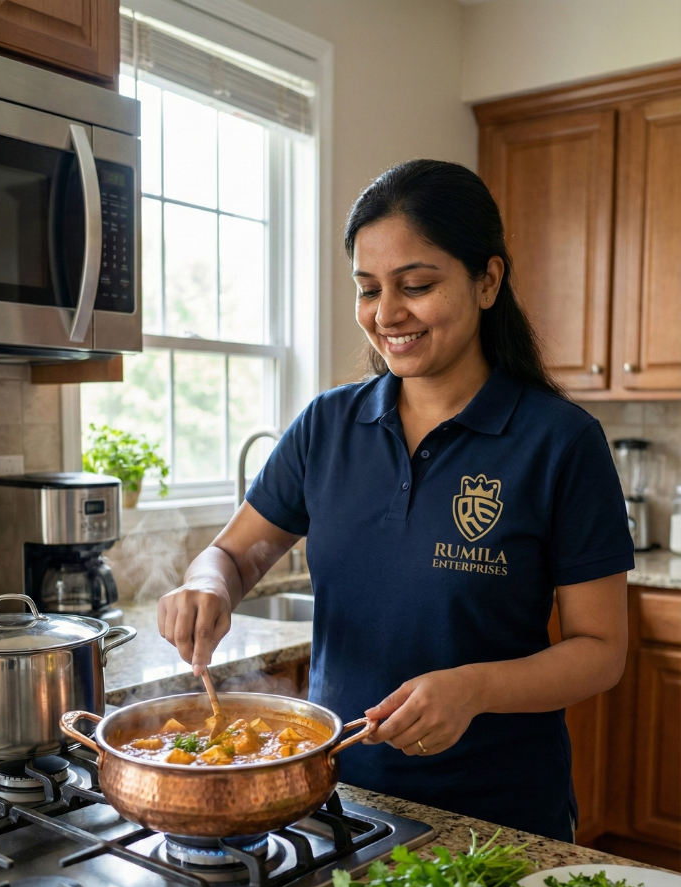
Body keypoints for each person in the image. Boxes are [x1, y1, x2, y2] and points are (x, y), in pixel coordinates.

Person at [158, 159, 634, 842]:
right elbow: (233, 556)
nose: (386, 315)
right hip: (335, 801)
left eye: (416, 285)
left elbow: (601, 649)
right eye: (368, 289)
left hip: (496, 819)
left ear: (487, 280)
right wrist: (206, 586)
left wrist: (473, 690)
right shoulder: (327, 427)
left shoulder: (560, 442)